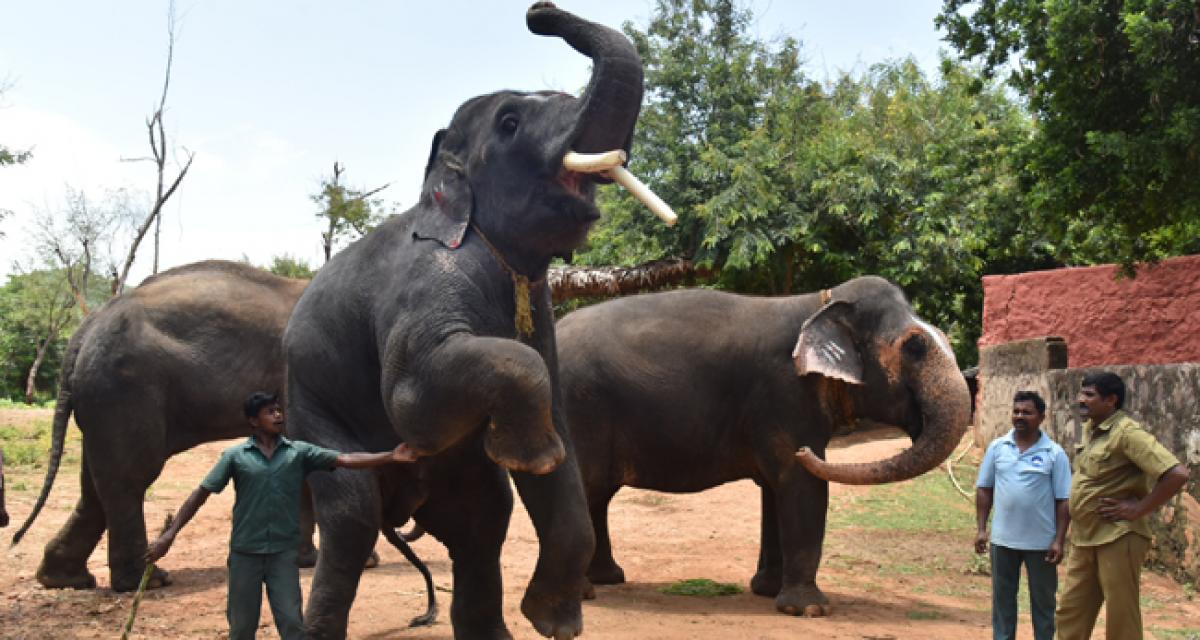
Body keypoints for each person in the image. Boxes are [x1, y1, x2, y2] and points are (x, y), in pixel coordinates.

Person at [145, 391, 419, 640]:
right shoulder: (235, 456)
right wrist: (169, 535)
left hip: (283, 556)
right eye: (269, 412)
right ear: (254, 421)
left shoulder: (298, 453)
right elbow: (200, 494)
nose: (278, 416)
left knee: (292, 625)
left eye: (279, 410)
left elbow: (345, 459)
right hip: (245, 555)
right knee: (241, 628)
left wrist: (390, 456)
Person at [1055, 372, 1189, 640]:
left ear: (1111, 400)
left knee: (1120, 616)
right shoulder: (1092, 431)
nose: (1081, 400)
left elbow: (1177, 474)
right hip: (1085, 539)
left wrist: (1138, 509)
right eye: (1081, 394)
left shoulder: (1127, 433)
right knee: (1070, 611)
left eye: (1089, 395)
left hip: (1118, 537)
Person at [976, 390, 1072, 640]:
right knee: (1003, 603)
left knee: (1043, 605)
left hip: (1041, 544)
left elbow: (1064, 501)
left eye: (1027, 412)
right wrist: (981, 529)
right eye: (1016, 411)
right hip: (1003, 541)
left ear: (1041, 416)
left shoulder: (1054, 453)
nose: (1020, 416)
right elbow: (985, 489)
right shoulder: (998, 448)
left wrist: (1059, 540)